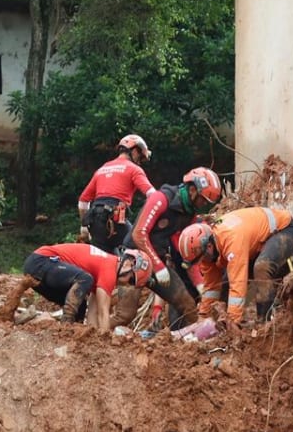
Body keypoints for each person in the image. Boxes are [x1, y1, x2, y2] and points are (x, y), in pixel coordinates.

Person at [115, 167, 223, 329]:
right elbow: (139, 234)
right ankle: (94, 335)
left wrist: (200, 285)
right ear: (193, 189)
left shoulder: (189, 216)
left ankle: (190, 345)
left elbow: (188, 254)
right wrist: (158, 267)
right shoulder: (161, 199)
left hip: (156, 262)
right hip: (134, 259)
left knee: (187, 305)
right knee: (125, 315)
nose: (202, 205)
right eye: (202, 200)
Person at [177, 206, 293, 329]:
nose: (202, 262)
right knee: (225, 285)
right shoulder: (208, 251)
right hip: (257, 245)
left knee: (261, 268)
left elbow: (238, 283)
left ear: (209, 246)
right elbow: (212, 287)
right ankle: (221, 328)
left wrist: (233, 320)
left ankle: (264, 324)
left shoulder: (231, 240)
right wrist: (204, 316)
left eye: (202, 258)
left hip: (284, 230)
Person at [19, 243, 164, 334]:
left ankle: (69, 333)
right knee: (85, 279)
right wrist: (107, 342)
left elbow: (93, 314)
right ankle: (65, 328)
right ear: (128, 264)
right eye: (131, 280)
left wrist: (93, 339)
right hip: (41, 261)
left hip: (42, 270)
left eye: (132, 284)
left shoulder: (102, 275)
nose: (127, 284)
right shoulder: (109, 268)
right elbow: (103, 313)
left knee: (80, 307)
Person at [78, 134, 155, 253]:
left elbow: (83, 201)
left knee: (103, 261)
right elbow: (152, 195)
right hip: (116, 220)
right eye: (140, 157)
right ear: (134, 151)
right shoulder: (134, 169)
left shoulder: (102, 168)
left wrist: (84, 229)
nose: (139, 162)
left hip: (95, 223)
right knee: (141, 252)